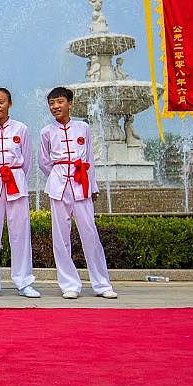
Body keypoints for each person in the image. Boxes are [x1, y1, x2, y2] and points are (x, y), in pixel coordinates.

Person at [39, 86, 118, 299]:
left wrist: (92, 186)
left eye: (60, 102)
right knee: (61, 237)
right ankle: (69, 284)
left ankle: (102, 284)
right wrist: (58, 175)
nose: (56, 106)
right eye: (52, 103)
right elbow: (44, 162)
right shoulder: (46, 132)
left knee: (90, 233)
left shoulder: (83, 128)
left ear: (70, 104)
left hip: (81, 184)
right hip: (58, 187)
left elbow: (89, 158)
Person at [0, 88, 39, 299]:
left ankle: (24, 282)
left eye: (1, 101)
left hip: (16, 183)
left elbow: (27, 161)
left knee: (20, 234)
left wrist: (17, 178)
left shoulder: (21, 129)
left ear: (10, 104)